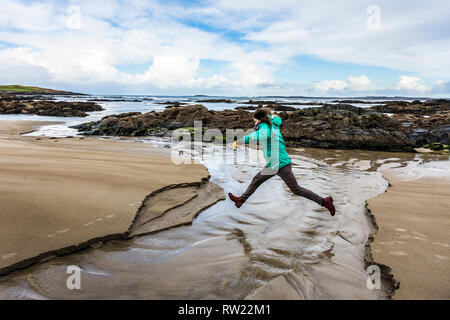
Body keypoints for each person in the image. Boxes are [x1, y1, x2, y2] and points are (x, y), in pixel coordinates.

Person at [228, 108, 336, 216]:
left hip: (280, 163)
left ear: (260, 120)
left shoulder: (266, 128)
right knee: (257, 180)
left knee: (296, 189)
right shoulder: (272, 125)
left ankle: (324, 202)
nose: (254, 123)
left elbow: (258, 136)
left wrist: (240, 141)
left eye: (255, 121)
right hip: (276, 162)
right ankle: (241, 200)